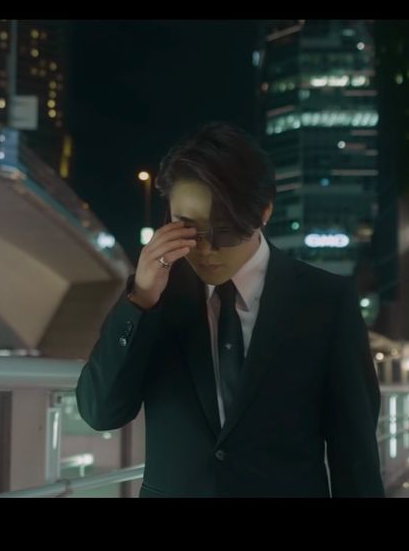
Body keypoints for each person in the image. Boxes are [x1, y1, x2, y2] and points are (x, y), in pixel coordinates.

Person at [75, 122, 384, 497]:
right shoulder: (157, 297)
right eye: (187, 229)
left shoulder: (325, 300)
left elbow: (355, 455)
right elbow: (100, 412)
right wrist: (139, 299)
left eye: (224, 230)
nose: (205, 250)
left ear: (263, 212)